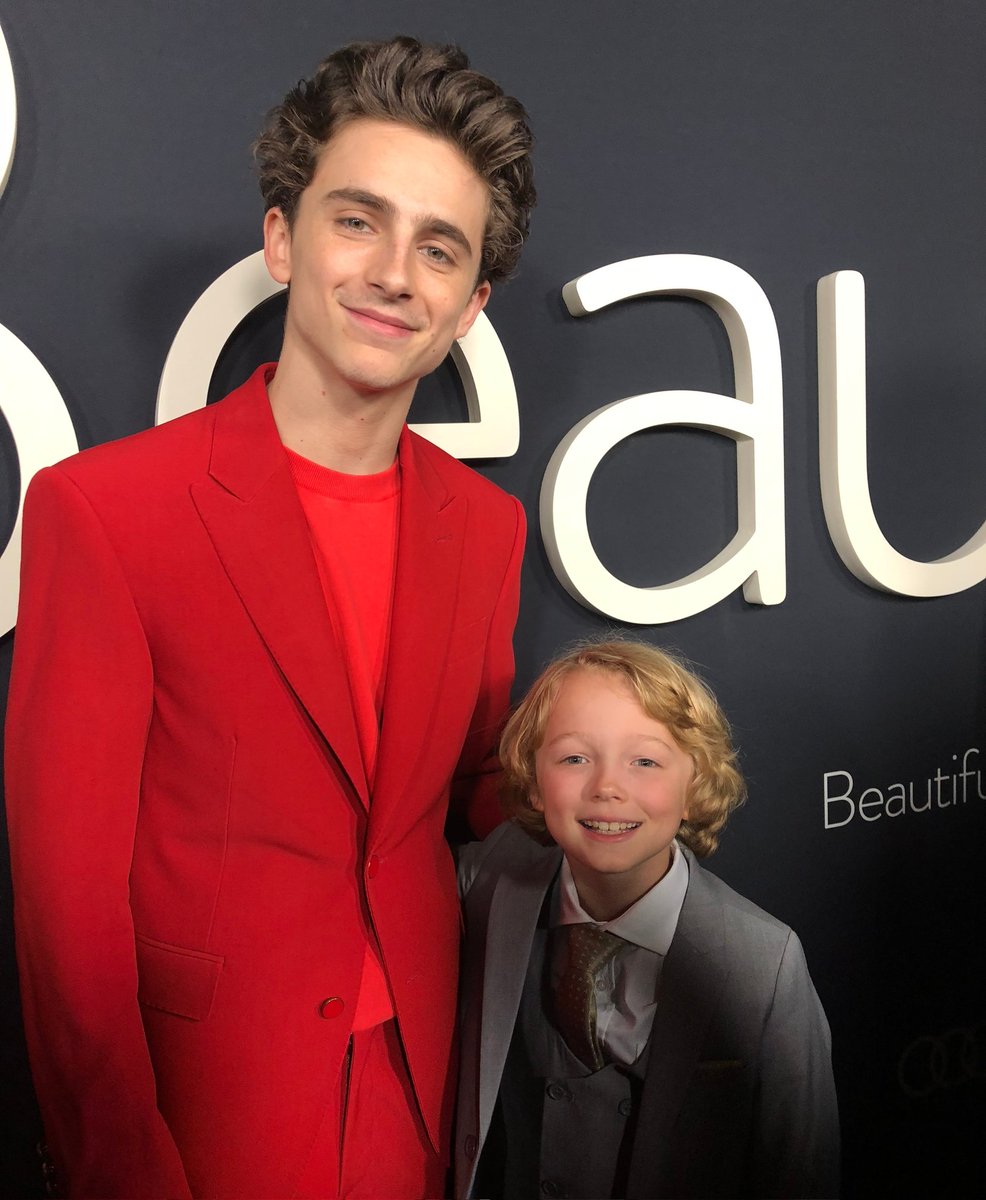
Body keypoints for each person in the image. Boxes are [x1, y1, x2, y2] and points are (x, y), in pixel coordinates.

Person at [5, 36, 535, 1200]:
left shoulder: (487, 527)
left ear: (470, 303)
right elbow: (67, 909)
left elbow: (469, 793)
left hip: (421, 1098)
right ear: (282, 239)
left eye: (437, 249)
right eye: (358, 221)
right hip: (206, 1117)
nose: (395, 273)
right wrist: (120, 1166)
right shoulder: (106, 511)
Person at [455, 640, 840, 1199]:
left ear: (695, 785)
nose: (608, 787)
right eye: (573, 758)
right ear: (533, 782)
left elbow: (800, 1169)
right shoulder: (495, 875)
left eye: (646, 761)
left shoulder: (762, 964)